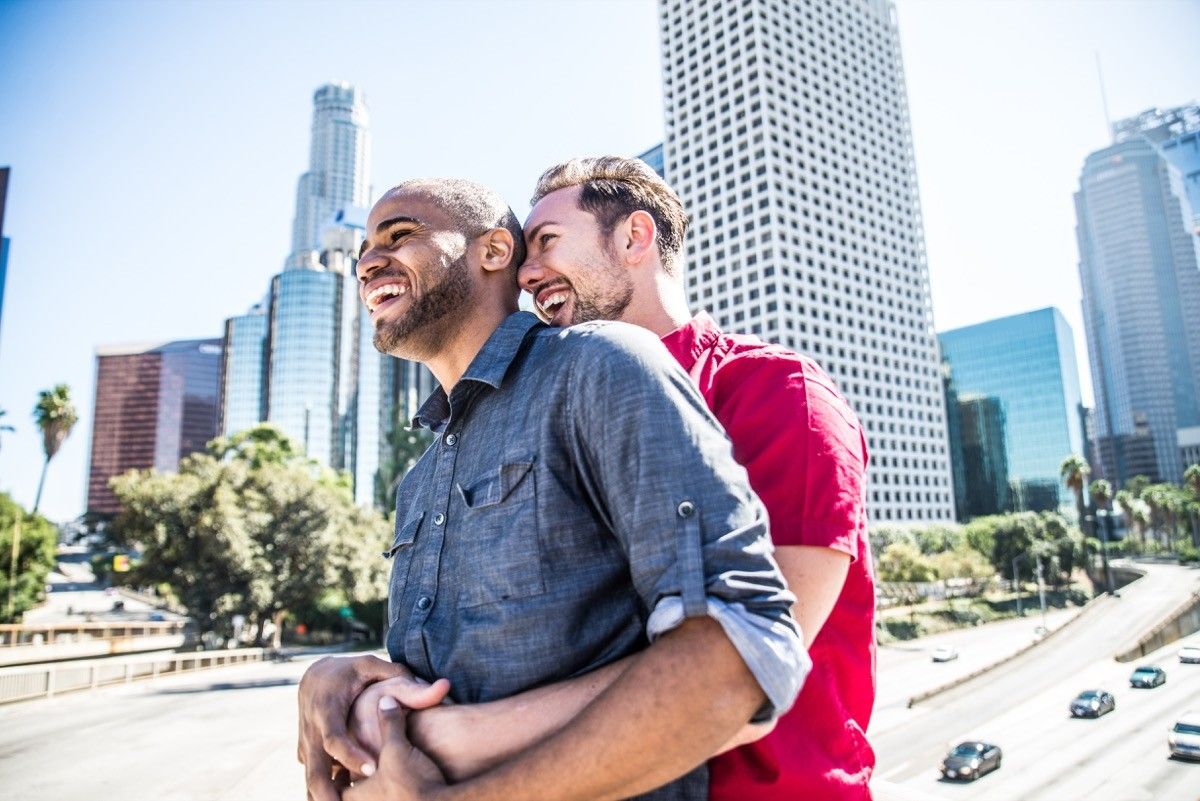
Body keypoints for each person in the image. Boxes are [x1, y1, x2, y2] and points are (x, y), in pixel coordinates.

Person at [352, 158, 876, 800]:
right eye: (521, 256)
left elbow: (748, 660)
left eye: (545, 244)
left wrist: (448, 740)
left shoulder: (776, 394)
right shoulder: (526, 418)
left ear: (634, 238)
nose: (527, 274)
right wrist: (351, 688)